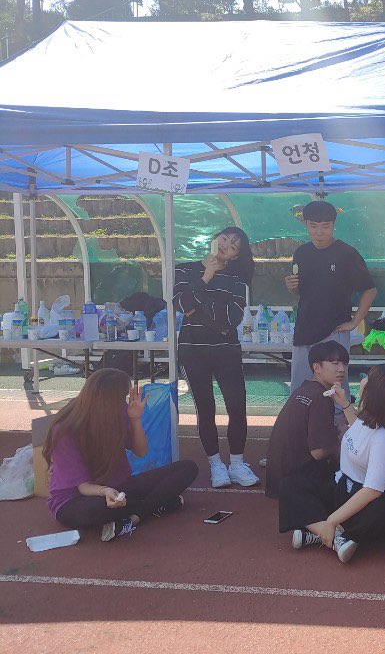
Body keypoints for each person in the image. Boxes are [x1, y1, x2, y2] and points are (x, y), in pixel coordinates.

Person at [42, 369, 198, 542]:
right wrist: (104, 491)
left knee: (187, 468)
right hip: (77, 499)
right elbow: (83, 486)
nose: (124, 402)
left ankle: (135, 518)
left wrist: (135, 419)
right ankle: (156, 504)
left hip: (119, 487)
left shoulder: (119, 411)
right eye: (121, 397)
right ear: (106, 399)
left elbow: (141, 451)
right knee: (102, 508)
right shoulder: (66, 429)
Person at [279, 365, 385, 562]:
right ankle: (332, 537)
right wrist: (344, 403)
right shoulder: (370, 418)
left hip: (371, 500)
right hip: (344, 487)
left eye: (367, 379)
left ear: (374, 393)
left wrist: (332, 520)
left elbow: (372, 491)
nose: (363, 380)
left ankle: (323, 530)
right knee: (290, 484)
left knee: (379, 513)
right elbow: (358, 428)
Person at [174, 227, 258, 488]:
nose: (225, 245)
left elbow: (231, 318)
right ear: (214, 238)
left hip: (226, 349)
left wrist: (197, 305)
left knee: (237, 406)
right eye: (224, 238)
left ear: (236, 256)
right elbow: (181, 304)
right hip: (193, 349)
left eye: (234, 245)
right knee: (205, 407)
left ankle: (237, 463)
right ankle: (215, 465)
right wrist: (206, 277)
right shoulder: (184, 269)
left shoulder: (237, 278)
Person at [285, 200, 377, 391]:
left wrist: (354, 322)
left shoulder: (347, 253)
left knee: (335, 389)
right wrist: (291, 287)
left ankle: (338, 411)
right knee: (301, 388)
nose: (319, 232)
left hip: (334, 330)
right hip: (304, 330)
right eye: (313, 226)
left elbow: (370, 289)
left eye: (325, 226)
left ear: (333, 225)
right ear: (305, 224)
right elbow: (302, 292)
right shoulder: (301, 253)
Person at [265, 341, 352, 500]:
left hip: (280, 480)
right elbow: (318, 452)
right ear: (316, 367)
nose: (342, 369)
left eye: (345, 364)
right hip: (299, 486)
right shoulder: (321, 397)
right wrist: (341, 435)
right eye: (335, 363)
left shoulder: (304, 389)